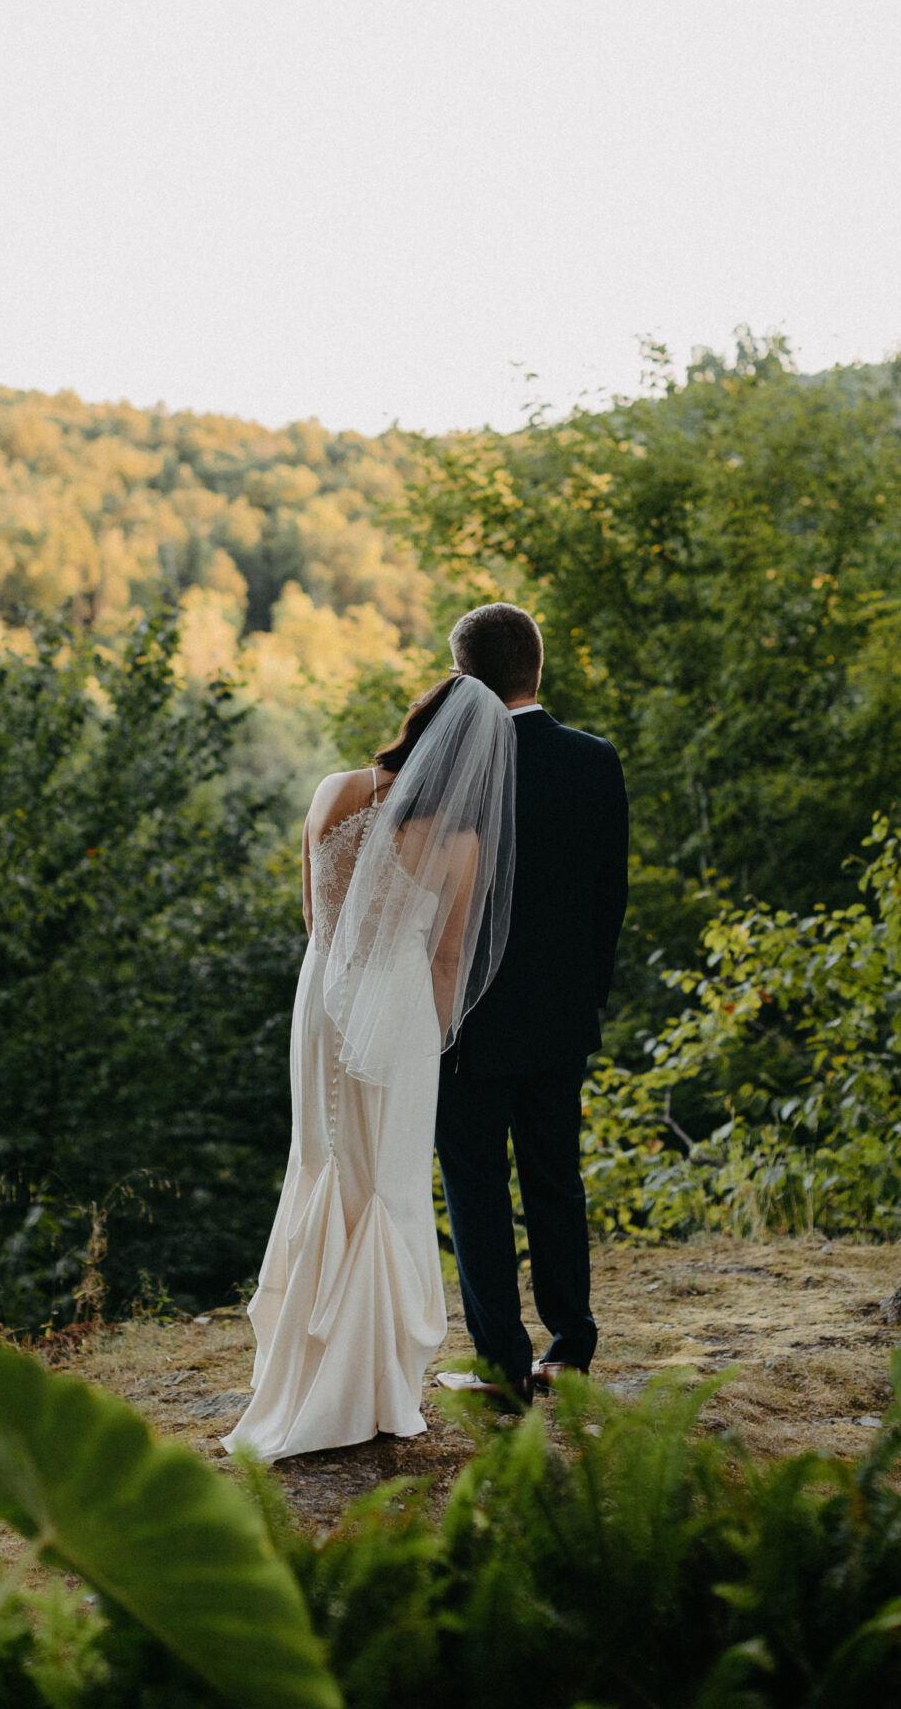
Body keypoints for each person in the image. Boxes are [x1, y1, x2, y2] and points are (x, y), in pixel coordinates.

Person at [223, 669, 515, 1463]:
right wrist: (436, 1038)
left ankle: (304, 1365)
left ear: (415, 720)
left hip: (320, 995)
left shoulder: (333, 791)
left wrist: (341, 967)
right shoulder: (459, 840)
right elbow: (448, 961)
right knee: (384, 1181)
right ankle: (371, 1385)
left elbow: (314, 915)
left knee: (321, 1164)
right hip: (398, 1008)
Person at [434, 603, 629, 1406]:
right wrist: (584, 997)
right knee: (556, 1180)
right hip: (559, 1015)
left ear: (461, 676)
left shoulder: (446, 771)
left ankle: (503, 1365)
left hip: (468, 1022)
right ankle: (570, 1348)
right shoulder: (594, 759)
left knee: (477, 1189)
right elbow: (606, 898)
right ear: (536, 667)